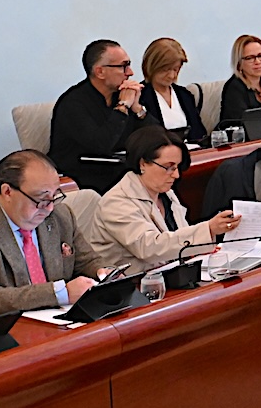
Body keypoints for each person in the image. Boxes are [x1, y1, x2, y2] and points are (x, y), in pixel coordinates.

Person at [0, 150, 103, 320]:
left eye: (54, 196)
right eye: (41, 198)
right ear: (7, 192)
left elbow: (87, 261)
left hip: (57, 323)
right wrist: (60, 294)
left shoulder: (60, 216)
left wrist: (103, 273)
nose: (49, 208)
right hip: (0, 330)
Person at [88, 126, 240, 272]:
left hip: (169, 278)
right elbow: (148, 248)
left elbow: (179, 239)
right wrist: (208, 229)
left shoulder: (166, 194)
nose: (176, 175)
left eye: (177, 167)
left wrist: (199, 250)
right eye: (168, 167)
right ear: (143, 164)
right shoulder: (115, 202)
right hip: (133, 288)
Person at [49, 39, 147, 194]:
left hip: (120, 170)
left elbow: (156, 137)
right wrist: (122, 107)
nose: (130, 73)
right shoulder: (73, 103)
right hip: (84, 178)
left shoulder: (121, 95)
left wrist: (137, 109)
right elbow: (101, 144)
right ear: (100, 71)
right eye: (123, 66)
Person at [137, 37, 208, 145]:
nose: (172, 75)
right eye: (166, 70)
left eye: (176, 69)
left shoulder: (185, 95)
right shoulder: (139, 95)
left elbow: (200, 134)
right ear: (152, 66)